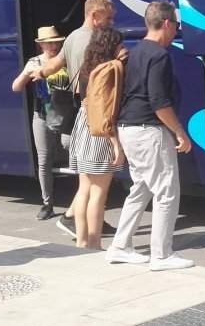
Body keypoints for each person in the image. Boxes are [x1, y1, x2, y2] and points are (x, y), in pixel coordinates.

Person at [105, 0, 194, 271]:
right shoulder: (159, 55)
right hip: (149, 132)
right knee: (166, 192)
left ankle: (120, 246)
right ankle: (162, 255)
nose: (176, 30)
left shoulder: (134, 52)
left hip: (128, 129)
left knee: (142, 188)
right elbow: (159, 102)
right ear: (166, 23)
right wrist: (180, 132)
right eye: (176, 25)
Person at [36, 0, 116, 237]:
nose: (111, 22)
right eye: (108, 18)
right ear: (94, 15)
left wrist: (39, 72)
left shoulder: (72, 37)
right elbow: (96, 82)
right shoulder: (94, 41)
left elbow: (55, 64)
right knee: (96, 181)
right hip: (94, 111)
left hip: (81, 112)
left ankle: (75, 223)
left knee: (86, 181)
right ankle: (87, 231)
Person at [67, 27, 127, 249]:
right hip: (100, 132)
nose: (123, 47)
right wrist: (116, 144)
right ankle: (94, 243)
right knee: (98, 194)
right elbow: (105, 110)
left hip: (83, 127)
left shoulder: (87, 66)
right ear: (111, 46)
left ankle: (82, 241)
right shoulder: (109, 70)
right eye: (119, 44)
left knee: (84, 189)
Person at [10, 26, 72, 221]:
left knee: (69, 146)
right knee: (44, 159)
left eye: (56, 42)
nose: (54, 46)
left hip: (65, 115)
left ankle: (81, 197)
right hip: (43, 114)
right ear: (41, 45)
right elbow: (15, 87)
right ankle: (47, 204)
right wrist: (26, 74)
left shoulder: (64, 59)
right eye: (49, 43)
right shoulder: (34, 62)